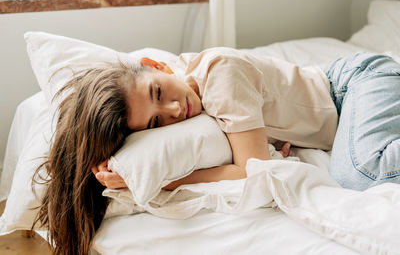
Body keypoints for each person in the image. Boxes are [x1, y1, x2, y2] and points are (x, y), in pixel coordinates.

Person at [33, 48, 400, 255]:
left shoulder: (220, 74)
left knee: (361, 175)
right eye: (156, 125)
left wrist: (171, 179)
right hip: (338, 111)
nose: (174, 112)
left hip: (352, 83)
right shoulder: (193, 108)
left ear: (155, 66)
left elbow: (250, 172)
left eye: (157, 92)